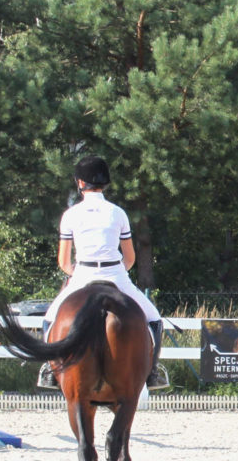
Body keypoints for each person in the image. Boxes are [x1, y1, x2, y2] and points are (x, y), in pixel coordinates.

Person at [37, 156, 168, 390]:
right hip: (116, 274)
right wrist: (119, 273)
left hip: (82, 275)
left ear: (80, 183)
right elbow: (130, 258)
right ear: (105, 183)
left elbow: (63, 261)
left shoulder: (70, 215)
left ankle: (49, 370)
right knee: (154, 319)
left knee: (50, 319)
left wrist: (74, 273)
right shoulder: (118, 213)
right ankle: (153, 372)